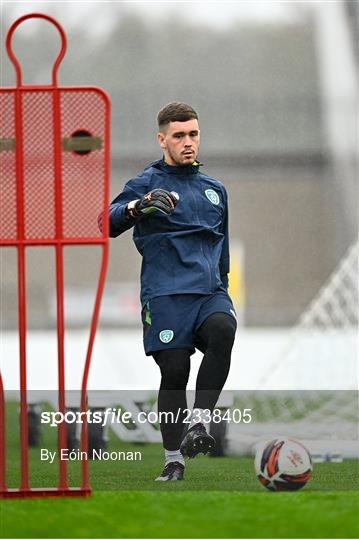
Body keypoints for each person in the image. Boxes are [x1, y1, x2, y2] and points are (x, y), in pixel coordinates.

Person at [107, 102, 237, 481]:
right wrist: (137, 207)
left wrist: (223, 288)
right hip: (165, 295)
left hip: (209, 292)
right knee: (176, 369)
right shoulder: (147, 183)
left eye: (193, 134)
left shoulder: (215, 190)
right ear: (162, 139)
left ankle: (199, 422)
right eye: (179, 136)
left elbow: (222, 246)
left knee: (224, 331)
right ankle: (173, 460)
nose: (188, 142)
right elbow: (106, 220)